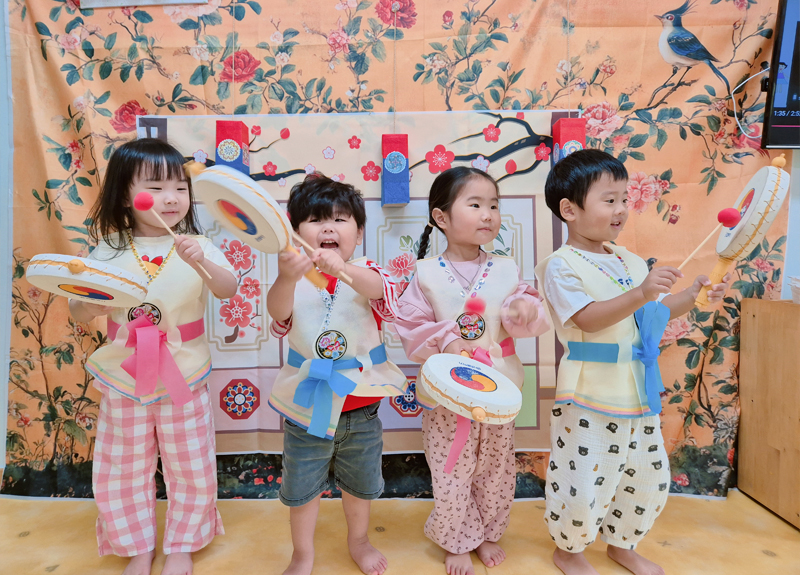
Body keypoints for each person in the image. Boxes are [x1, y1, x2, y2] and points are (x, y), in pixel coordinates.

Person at [534, 149, 730, 575]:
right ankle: (569, 550)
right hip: (588, 392)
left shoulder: (630, 260)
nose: (622, 208)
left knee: (647, 477)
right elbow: (587, 318)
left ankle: (622, 544)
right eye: (609, 199)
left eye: (624, 198)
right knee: (584, 480)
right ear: (569, 210)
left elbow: (654, 313)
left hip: (638, 391)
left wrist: (695, 295)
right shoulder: (559, 266)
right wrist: (641, 292)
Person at [69, 138, 238, 575]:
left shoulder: (197, 244)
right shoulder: (109, 248)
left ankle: (183, 544)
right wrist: (89, 304)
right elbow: (78, 308)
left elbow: (227, 288)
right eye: (156, 187)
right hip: (124, 375)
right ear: (126, 195)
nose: (172, 198)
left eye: (180, 187)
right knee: (123, 464)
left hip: (185, 373)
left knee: (191, 464)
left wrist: (203, 263)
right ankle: (137, 546)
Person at [394, 167, 550, 575]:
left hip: (498, 388)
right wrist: (448, 341)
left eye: (494, 206)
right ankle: (457, 537)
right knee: (451, 468)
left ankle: (489, 530)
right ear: (441, 217)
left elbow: (523, 314)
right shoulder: (426, 273)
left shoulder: (506, 269)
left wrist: (524, 310)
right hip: (448, 394)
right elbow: (410, 323)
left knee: (496, 467)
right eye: (476, 204)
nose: (488, 214)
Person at [266, 174, 407, 575]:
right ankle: (302, 553)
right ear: (296, 233)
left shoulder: (366, 271)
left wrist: (343, 269)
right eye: (315, 219)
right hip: (306, 407)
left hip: (360, 407)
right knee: (301, 488)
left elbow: (380, 290)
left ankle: (358, 540)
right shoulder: (293, 276)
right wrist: (287, 276)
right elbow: (278, 314)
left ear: (358, 233)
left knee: (360, 485)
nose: (328, 228)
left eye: (340, 219)